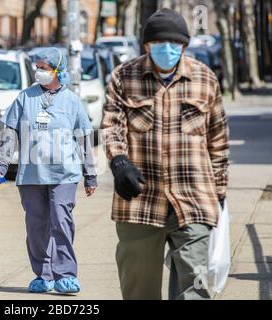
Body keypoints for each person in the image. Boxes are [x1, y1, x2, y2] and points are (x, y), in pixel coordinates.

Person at [102, 8, 230, 300]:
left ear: (184, 46)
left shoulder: (205, 79)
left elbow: (219, 142)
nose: (167, 50)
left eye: (174, 44)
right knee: (139, 290)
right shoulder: (125, 76)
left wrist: (220, 194)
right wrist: (119, 162)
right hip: (139, 201)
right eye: (159, 44)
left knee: (195, 288)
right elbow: (111, 126)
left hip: (194, 199)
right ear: (146, 45)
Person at [0, 47, 97, 294]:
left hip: (65, 173)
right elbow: (10, 132)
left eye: (43, 68)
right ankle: (43, 274)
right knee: (36, 226)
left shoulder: (72, 101)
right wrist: (1, 166)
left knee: (61, 221)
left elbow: (84, 138)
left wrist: (90, 174)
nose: (38, 71)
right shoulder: (24, 98)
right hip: (31, 174)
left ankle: (66, 274)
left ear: (58, 72)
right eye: (37, 67)